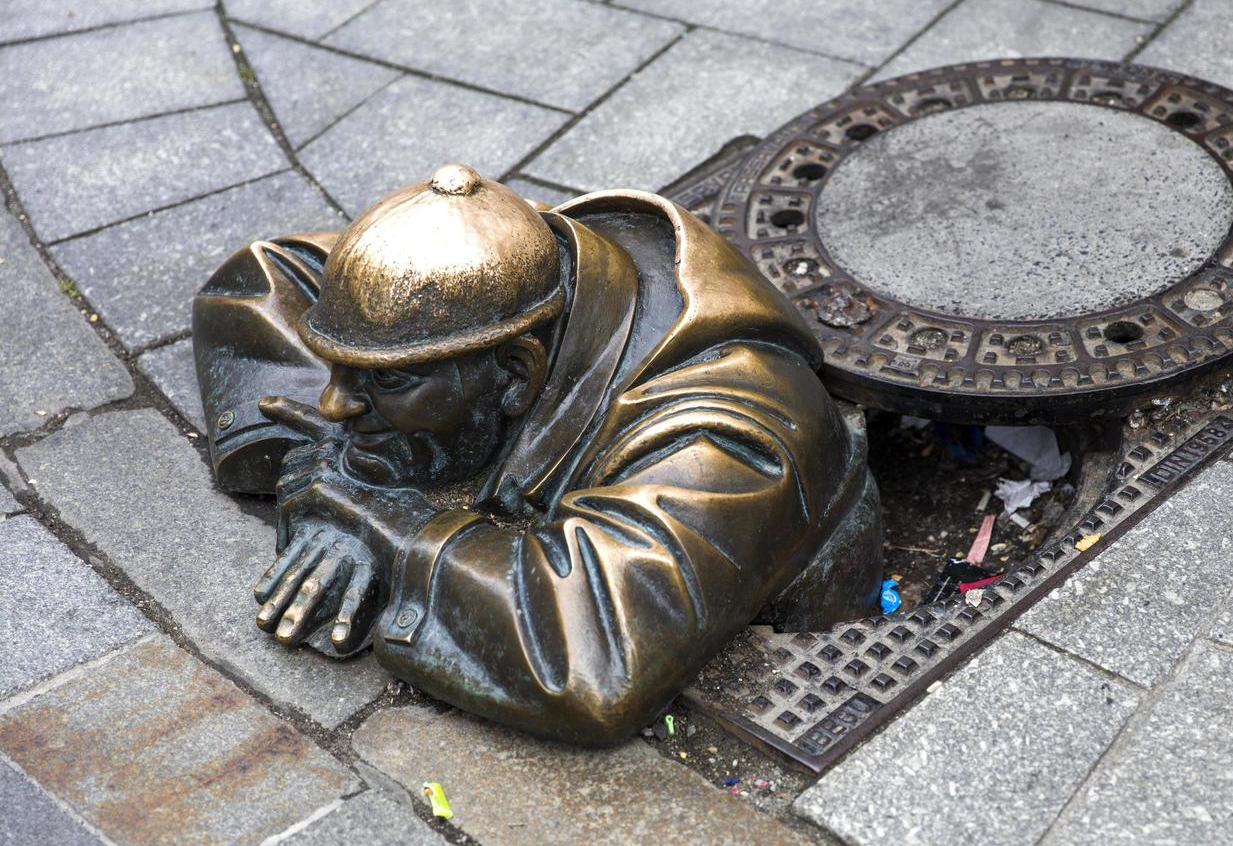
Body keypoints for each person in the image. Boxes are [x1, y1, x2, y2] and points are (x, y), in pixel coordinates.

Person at [193, 163, 880, 745]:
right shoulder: (513, 271)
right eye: (335, 367)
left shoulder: (731, 429)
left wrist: (385, 525)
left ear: (517, 374)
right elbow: (262, 283)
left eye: (387, 380)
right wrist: (347, 461)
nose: (335, 405)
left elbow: (594, 658)